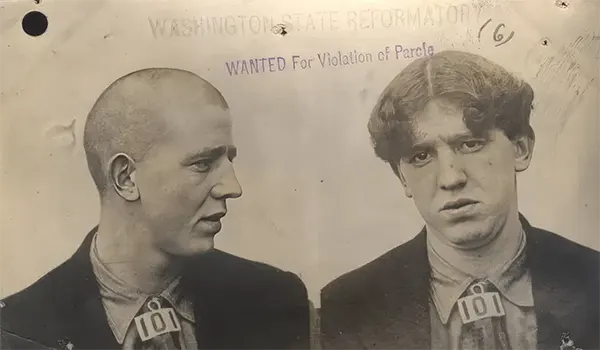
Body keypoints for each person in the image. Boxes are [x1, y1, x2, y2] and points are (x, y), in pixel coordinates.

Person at [0, 68, 310, 350]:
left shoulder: (273, 300)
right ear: (126, 178)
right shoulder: (17, 330)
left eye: (229, 160)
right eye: (203, 164)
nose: (233, 186)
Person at [320, 50, 600, 350]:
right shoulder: (349, 307)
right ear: (402, 178)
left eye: (470, 144)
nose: (450, 178)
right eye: (421, 156)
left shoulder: (592, 280)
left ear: (520, 148)